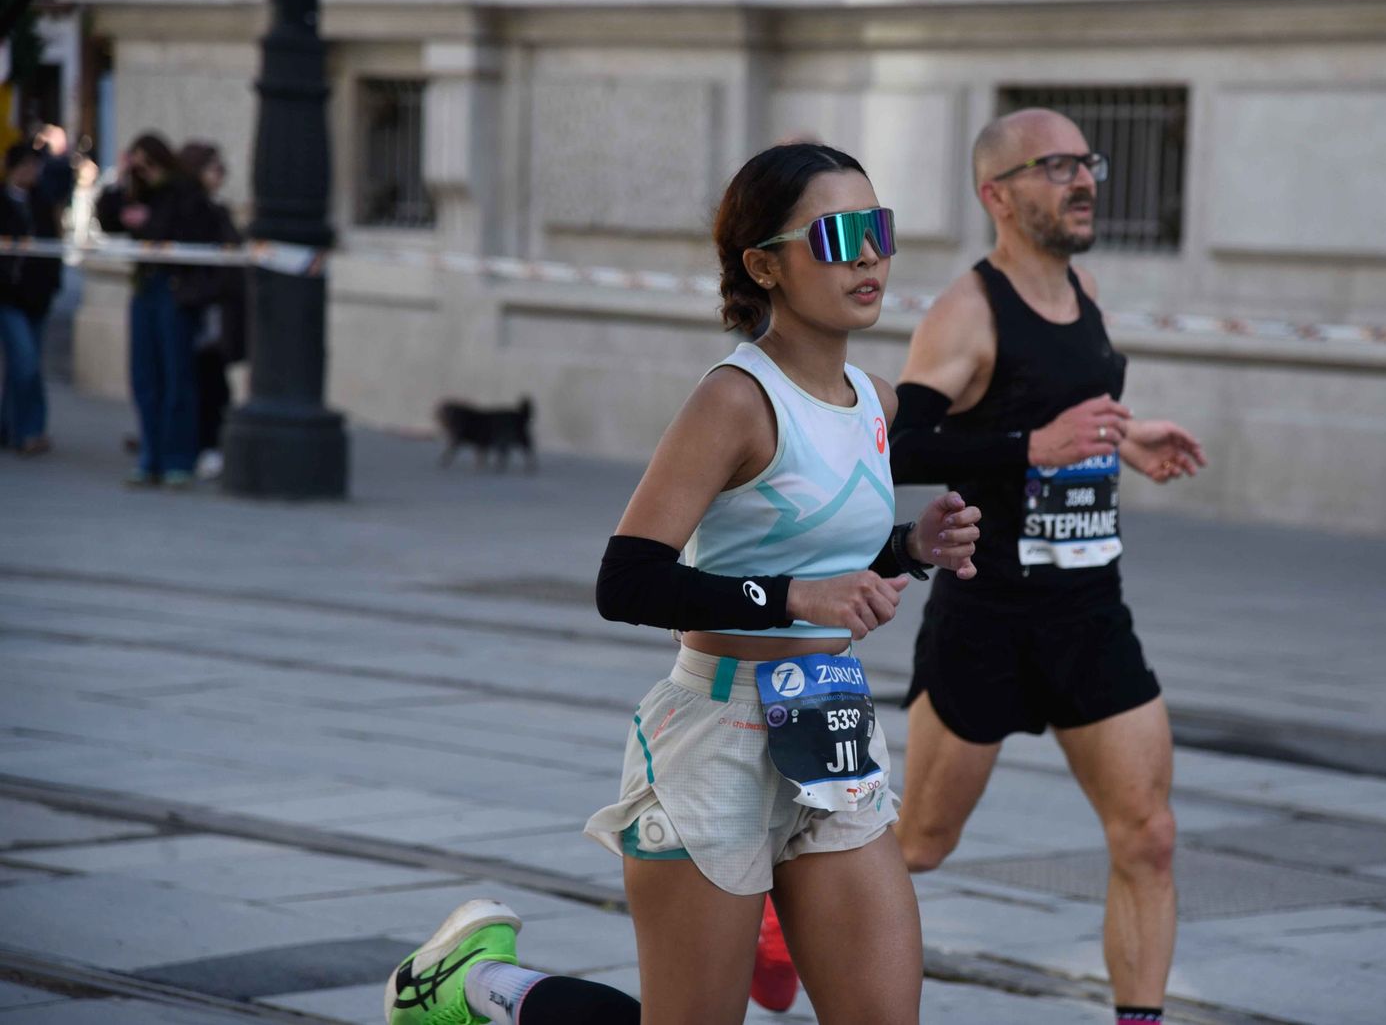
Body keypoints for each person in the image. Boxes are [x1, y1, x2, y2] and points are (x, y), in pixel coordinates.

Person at [382, 142, 983, 1025]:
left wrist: (908, 548)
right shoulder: (735, 400)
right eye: (839, 235)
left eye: (879, 229)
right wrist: (792, 600)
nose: (868, 256)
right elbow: (626, 581)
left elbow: (811, 549)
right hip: (717, 739)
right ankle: (479, 986)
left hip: (830, 731)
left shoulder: (874, 399)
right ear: (763, 265)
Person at [887, 108, 1205, 1025]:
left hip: (1090, 610)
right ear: (998, 194)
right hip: (989, 617)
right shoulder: (967, 310)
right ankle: (787, 921)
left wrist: (1125, 436)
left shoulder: (1086, 291)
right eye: (1054, 165)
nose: (1083, 180)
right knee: (921, 843)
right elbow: (898, 447)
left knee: (1149, 837)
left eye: (1086, 161)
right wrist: (1034, 447)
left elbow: (1069, 409)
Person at [94, 132, 215, 487]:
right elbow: (109, 216)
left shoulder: (183, 190)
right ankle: (151, 455)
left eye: (148, 163)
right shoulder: (138, 189)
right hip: (145, 286)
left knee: (176, 375)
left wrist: (145, 219)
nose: (144, 170)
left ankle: (177, 458)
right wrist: (122, 176)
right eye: (138, 163)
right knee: (145, 376)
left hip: (174, 289)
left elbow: (182, 230)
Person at [176, 141, 248, 481]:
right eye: (213, 168)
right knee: (206, 381)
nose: (220, 174)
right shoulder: (192, 209)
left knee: (213, 380)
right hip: (201, 307)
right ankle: (202, 446)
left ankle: (208, 444)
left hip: (216, 307)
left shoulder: (215, 209)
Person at [0, 143, 63, 456]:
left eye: (34, 165)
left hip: (37, 296)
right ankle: (23, 429)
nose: (30, 172)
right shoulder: (4, 200)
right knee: (23, 362)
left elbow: (53, 248)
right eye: (25, 165)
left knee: (29, 365)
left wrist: (53, 284)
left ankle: (24, 429)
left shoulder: (42, 201)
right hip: (9, 296)